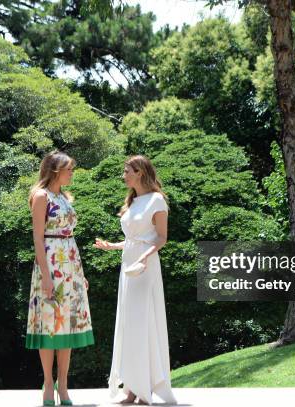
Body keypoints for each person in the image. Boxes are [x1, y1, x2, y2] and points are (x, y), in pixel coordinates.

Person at [94, 155, 177, 405]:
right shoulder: (133, 202)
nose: (124, 175)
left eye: (127, 170)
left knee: (144, 324)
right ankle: (131, 388)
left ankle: (145, 390)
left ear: (140, 172)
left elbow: (160, 238)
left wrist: (144, 258)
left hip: (145, 268)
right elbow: (133, 239)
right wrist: (112, 246)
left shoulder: (157, 200)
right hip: (128, 267)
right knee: (129, 325)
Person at [26, 151, 94, 407]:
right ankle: (47, 383)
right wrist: (45, 275)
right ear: (55, 171)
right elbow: (38, 238)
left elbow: (71, 237)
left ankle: (63, 384)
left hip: (70, 264)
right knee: (48, 325)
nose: (72, 173)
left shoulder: (64, 197)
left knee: (66, 326)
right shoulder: (41, 196)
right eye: (69, 169)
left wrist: (81, 274)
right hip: (51, 263)